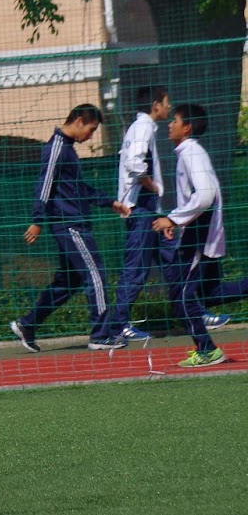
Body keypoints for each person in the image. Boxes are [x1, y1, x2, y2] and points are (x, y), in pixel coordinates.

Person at [8, 104, 131, 353]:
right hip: (70, 226)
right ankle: (101, 335)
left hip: (75, 223)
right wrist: (37, 220)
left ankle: (27, 324)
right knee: (96, 275)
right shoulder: (56, 147)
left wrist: (109, 202)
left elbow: (79, 188)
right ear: (78, 121)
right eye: (91, 129)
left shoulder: (68, 149)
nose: (91, 136)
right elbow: (44, 183)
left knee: (69, 280)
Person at [151, 102, 227, 368]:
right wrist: (178, 219)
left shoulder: (192, 152)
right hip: (196, 233)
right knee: (209, 292)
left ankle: (208, 350)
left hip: (200, 236)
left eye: (175, 120)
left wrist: (173, 218)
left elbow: (205, 195)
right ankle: (206, 348)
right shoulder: (188, 152)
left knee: (181, 296)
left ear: (187, 128)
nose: (169, 124)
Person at [107, 85, 171, 341]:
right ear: (155, 105)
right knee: (136, 268)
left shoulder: (140, 127)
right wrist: (151, 185)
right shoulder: (143, 127)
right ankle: (118, 325)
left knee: (174, 260)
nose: (169, 107)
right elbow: (135, 162)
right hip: (142, 209)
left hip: (150, 210)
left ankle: (194, 312)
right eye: (166, 103)